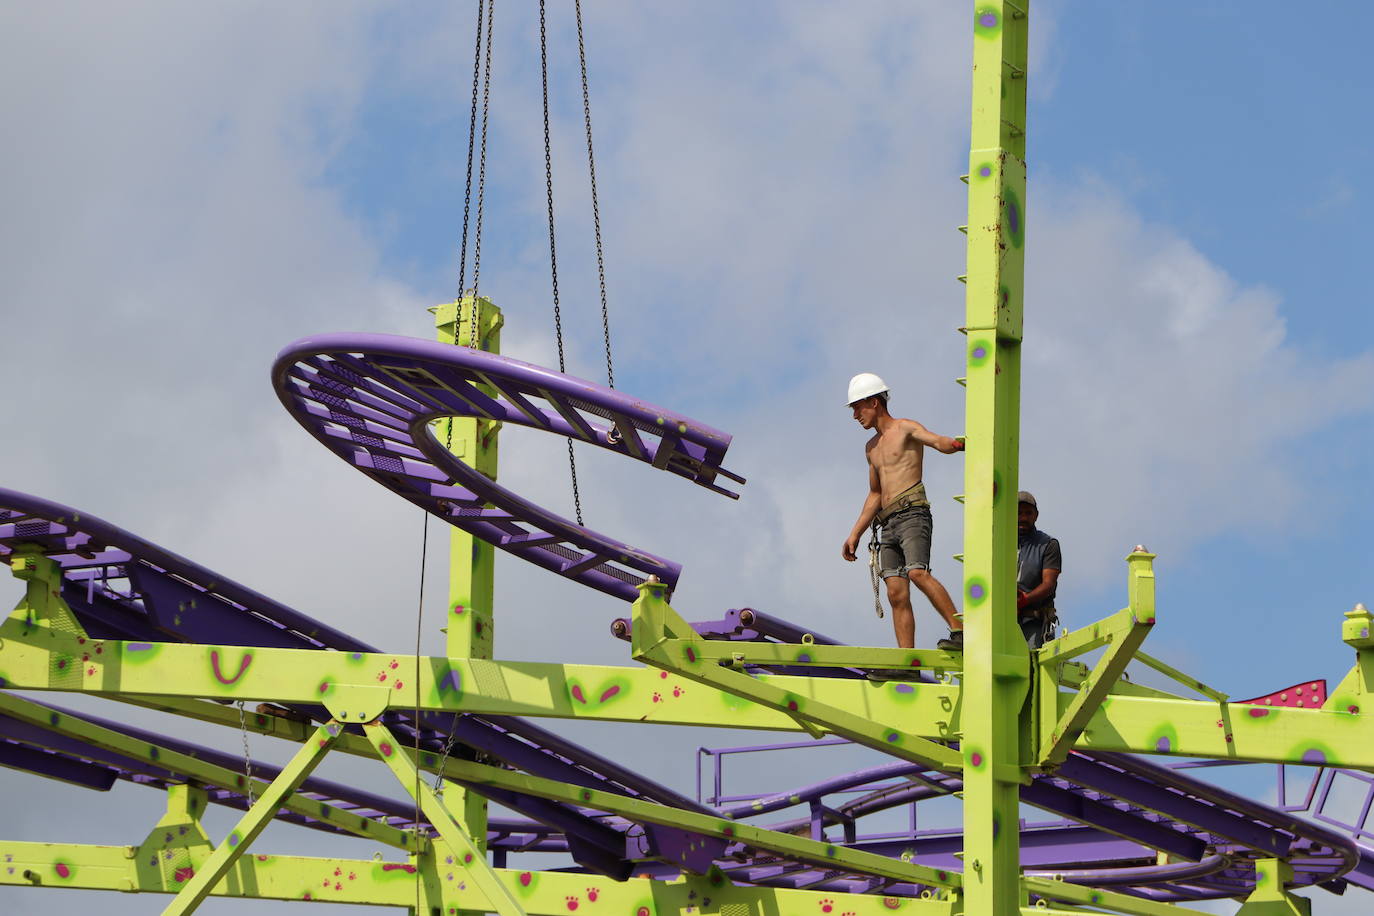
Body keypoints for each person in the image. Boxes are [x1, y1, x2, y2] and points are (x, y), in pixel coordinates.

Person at [840, 373, 965, 651]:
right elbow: (875, 495)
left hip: (912, 514)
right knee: (895, 591)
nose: (855, 415)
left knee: (918, 573)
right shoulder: (871, 448)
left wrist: (957, 444)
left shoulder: (905, 428)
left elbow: (935, 441)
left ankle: (961, 631)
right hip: (887, 523)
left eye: (857, 408)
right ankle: (906, 660)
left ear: (873, 402)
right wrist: (855, 533)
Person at [1016, 491, 1061, 649]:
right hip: (1000, 620)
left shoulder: (1048, 544)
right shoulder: (998, 541)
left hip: (1033, 622)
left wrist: (1024, 600)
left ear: (1036, 515)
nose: (1023, 518)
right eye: (1019, 512)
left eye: (1028, 513)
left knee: (1031, 669)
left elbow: (1048, 584)